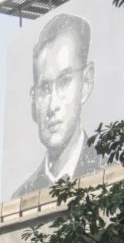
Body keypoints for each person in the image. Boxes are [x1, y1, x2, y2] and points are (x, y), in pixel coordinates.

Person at [12, 13, 106, 199]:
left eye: (64, 82)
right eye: (45, 88)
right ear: (33, 98)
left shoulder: (108, 172)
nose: (52, 105)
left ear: (86, 82)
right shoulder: (21, 196)